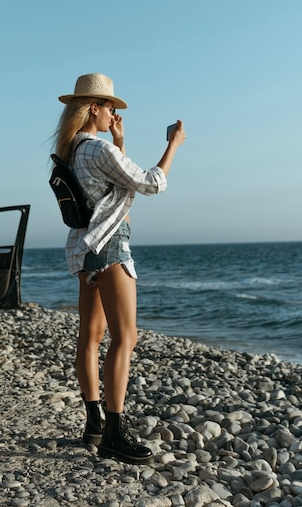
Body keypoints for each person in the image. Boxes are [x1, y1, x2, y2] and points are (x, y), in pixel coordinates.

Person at [52, 73, 185, 464]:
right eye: (111, 107)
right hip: (110, 249)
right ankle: (114, 431)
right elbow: (150, 183)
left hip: (84, 249)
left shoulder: (73, 149)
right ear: (94, 108)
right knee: (126, 339)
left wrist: (120, 143)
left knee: (90, 337)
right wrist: (173, 145)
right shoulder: (98, 151)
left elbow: (114, 192)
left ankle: (93, 423)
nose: (114, 113)